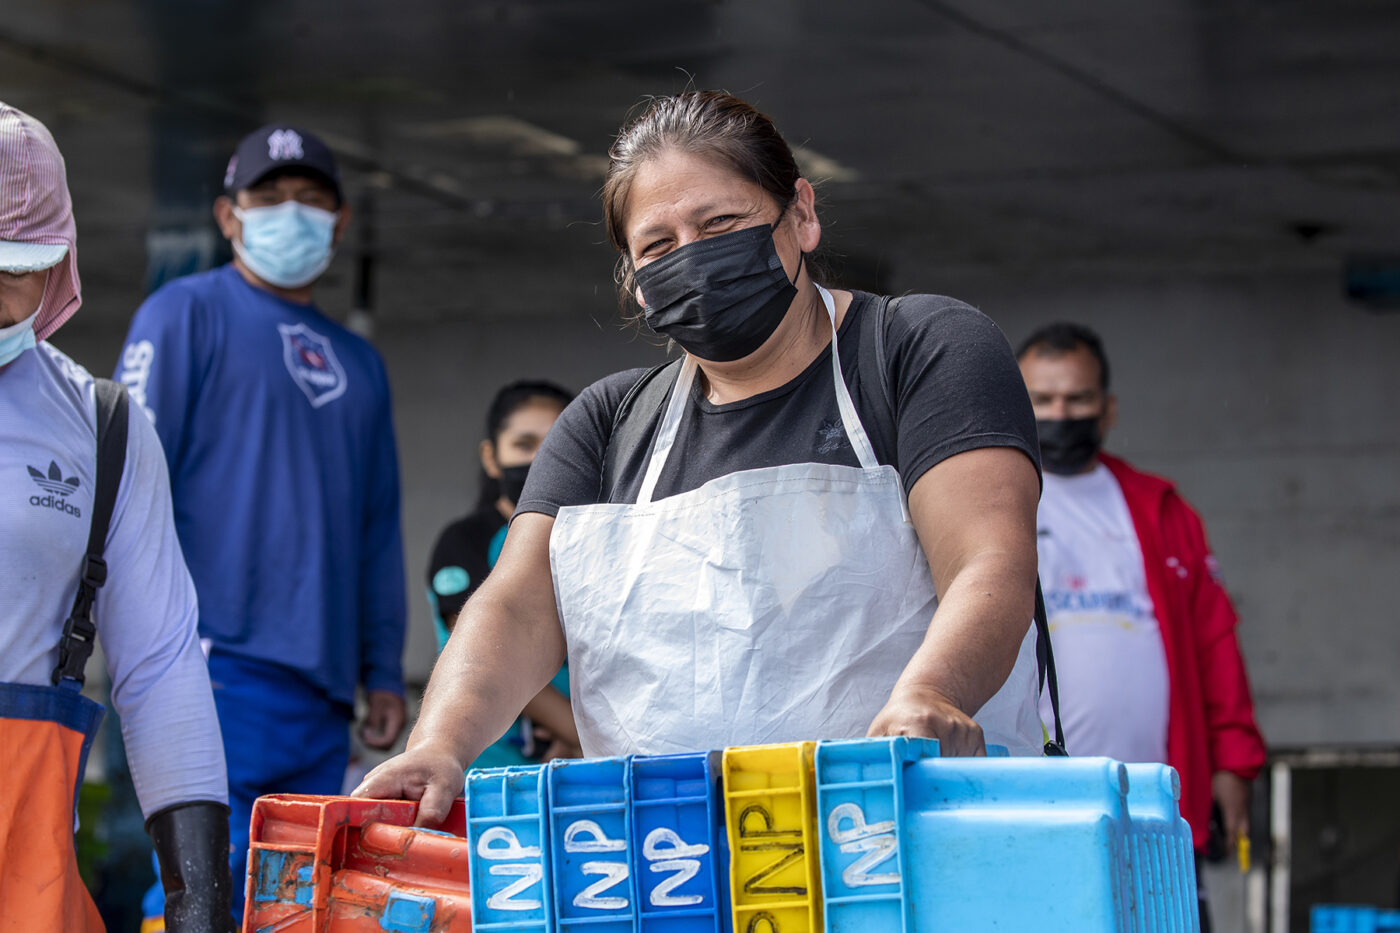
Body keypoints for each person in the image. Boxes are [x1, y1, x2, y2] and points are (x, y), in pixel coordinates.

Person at [358, 90, 1051, 823]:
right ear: (632, 279)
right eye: (658, 245)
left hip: (906, 834)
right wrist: (440, 742)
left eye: (721, 223)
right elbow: (518, 605)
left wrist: (932, 693)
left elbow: (988, 559)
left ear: (802, 215)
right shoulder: (606, 424)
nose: (695, 258)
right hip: (674, 863)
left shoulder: (917, 350)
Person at [114, 124, 408, 922]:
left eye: (311, 200)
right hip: (208, 664)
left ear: (342, 222)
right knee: (201, 883)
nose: (291, 213)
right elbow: (124, 483)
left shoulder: (360, 363)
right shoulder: (181, 315)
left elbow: (377, 523)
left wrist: (382, 665)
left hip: (319, 683)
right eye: (269, 198)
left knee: (295, 895)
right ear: (226, 215)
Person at [0, 102, 234, 931]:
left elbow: (162, 667)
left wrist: (196, 898)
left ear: (58, 262)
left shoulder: (104, 429)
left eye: (12, 267)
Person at [1016, 322, 1266, 930]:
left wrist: (1234, 762)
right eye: (1042, 401)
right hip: (1030, 802)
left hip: (1157, 804)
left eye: (1077, 400)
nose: (1060, 414)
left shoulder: (1163, 508)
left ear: (1108, 409)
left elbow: (1214, 640)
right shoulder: (990, 499)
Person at [426, 379, 579, 766]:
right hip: (492, 766)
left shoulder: (593, 539)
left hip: (579, 762)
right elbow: (491, 650)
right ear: (491, 457)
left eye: (556, 444)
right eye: (524, 445)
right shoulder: (466, 540)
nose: (541, 459)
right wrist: (581, 734)